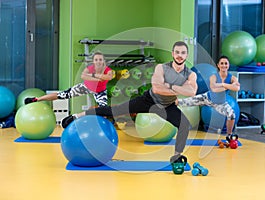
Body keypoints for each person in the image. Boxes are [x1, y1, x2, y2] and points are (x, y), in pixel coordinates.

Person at [62, 41, 197, 164]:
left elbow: (192, 92)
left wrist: (169, 87)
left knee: (184, 125)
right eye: (177, 52)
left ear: (187, 55)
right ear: (173, 53)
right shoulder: (162, 68)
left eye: (183, 53)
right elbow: (157, 88)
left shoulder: (191, 74)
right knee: (113, 110)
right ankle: (77, 116)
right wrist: (178, 89)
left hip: (167, 106)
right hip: (148, 100)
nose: (180, 55)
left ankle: (177, 156)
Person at [177, 55, 240, 143]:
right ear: (218, 65)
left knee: (232, 115)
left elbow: (237, 88)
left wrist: (222, 85)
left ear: (228, 65)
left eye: (226, 63)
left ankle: (229, 135)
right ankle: (166, 102)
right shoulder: (213, 77)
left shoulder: (233, 78)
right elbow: (214, 88)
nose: (224, 65)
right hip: (207, 98)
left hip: (220, 103)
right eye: (222, 63)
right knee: (183, 102)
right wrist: (227, 85)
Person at [25, 51, 114, 107]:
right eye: (96, 60)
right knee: (62, 95)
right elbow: (83, 76)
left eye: (100, 59)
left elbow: (109, 77)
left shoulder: (108, 70)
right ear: (93, 61)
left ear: (104, 61)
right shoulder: (90, 68)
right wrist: (98, 77)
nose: (98, 61)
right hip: (86, 87)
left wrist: (92, 76)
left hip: (100, 91)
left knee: (103, 108)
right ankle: (37, 99)